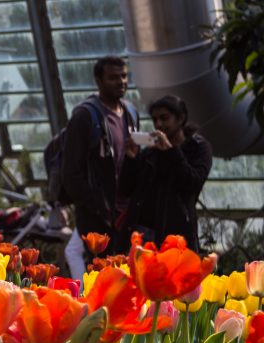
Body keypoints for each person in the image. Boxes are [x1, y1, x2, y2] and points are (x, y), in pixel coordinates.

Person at [61, 55, 140, 275]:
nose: (121, 82)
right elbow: (71, 173)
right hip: (98, 214)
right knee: (100, 272)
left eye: (124, 76)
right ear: (99, 80)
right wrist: (97, 206)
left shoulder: (130, 113)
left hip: (124, 214)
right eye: (113, 77)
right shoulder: (85, 117)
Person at [118, 95, 212, 251]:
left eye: (164, 118)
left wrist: (171, 151)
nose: (159, 124)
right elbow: (126, 188)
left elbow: (192, 183)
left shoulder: (197, 147)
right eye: (155, 120)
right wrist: (131, 159)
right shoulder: (151, 152)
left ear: (181, 118)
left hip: (175, 237)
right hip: (142, 234)